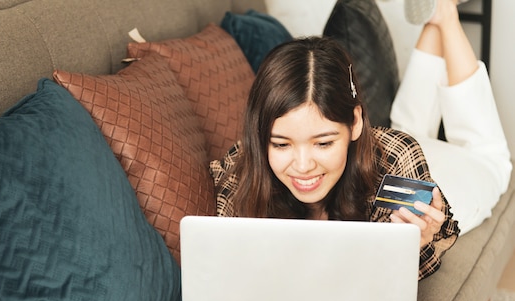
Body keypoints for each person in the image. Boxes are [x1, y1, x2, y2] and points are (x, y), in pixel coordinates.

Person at [210, 0, 510, 280]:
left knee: (490, 155)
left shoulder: (398, 160)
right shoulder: (242, 166)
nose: (302, 166)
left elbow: (385, 281)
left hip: (453, 174)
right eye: (281, 144)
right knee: (407, 124)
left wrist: (419, 241)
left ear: (355, 123)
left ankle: (445, 15)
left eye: (323, 143)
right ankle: (436, 15)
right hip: (393, 145)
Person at [394, 0, 512, 235]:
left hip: (408, 169)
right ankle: (444, 10)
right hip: (437, 183)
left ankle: (442, 11)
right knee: (488, 153)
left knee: (407, 131)